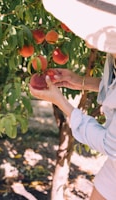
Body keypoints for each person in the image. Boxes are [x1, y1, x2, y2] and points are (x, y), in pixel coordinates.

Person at [29, 0, 116, 199]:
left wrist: (62, 103)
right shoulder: (114, 54)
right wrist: (79, 81)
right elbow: (113, 87)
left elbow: (110, 145)